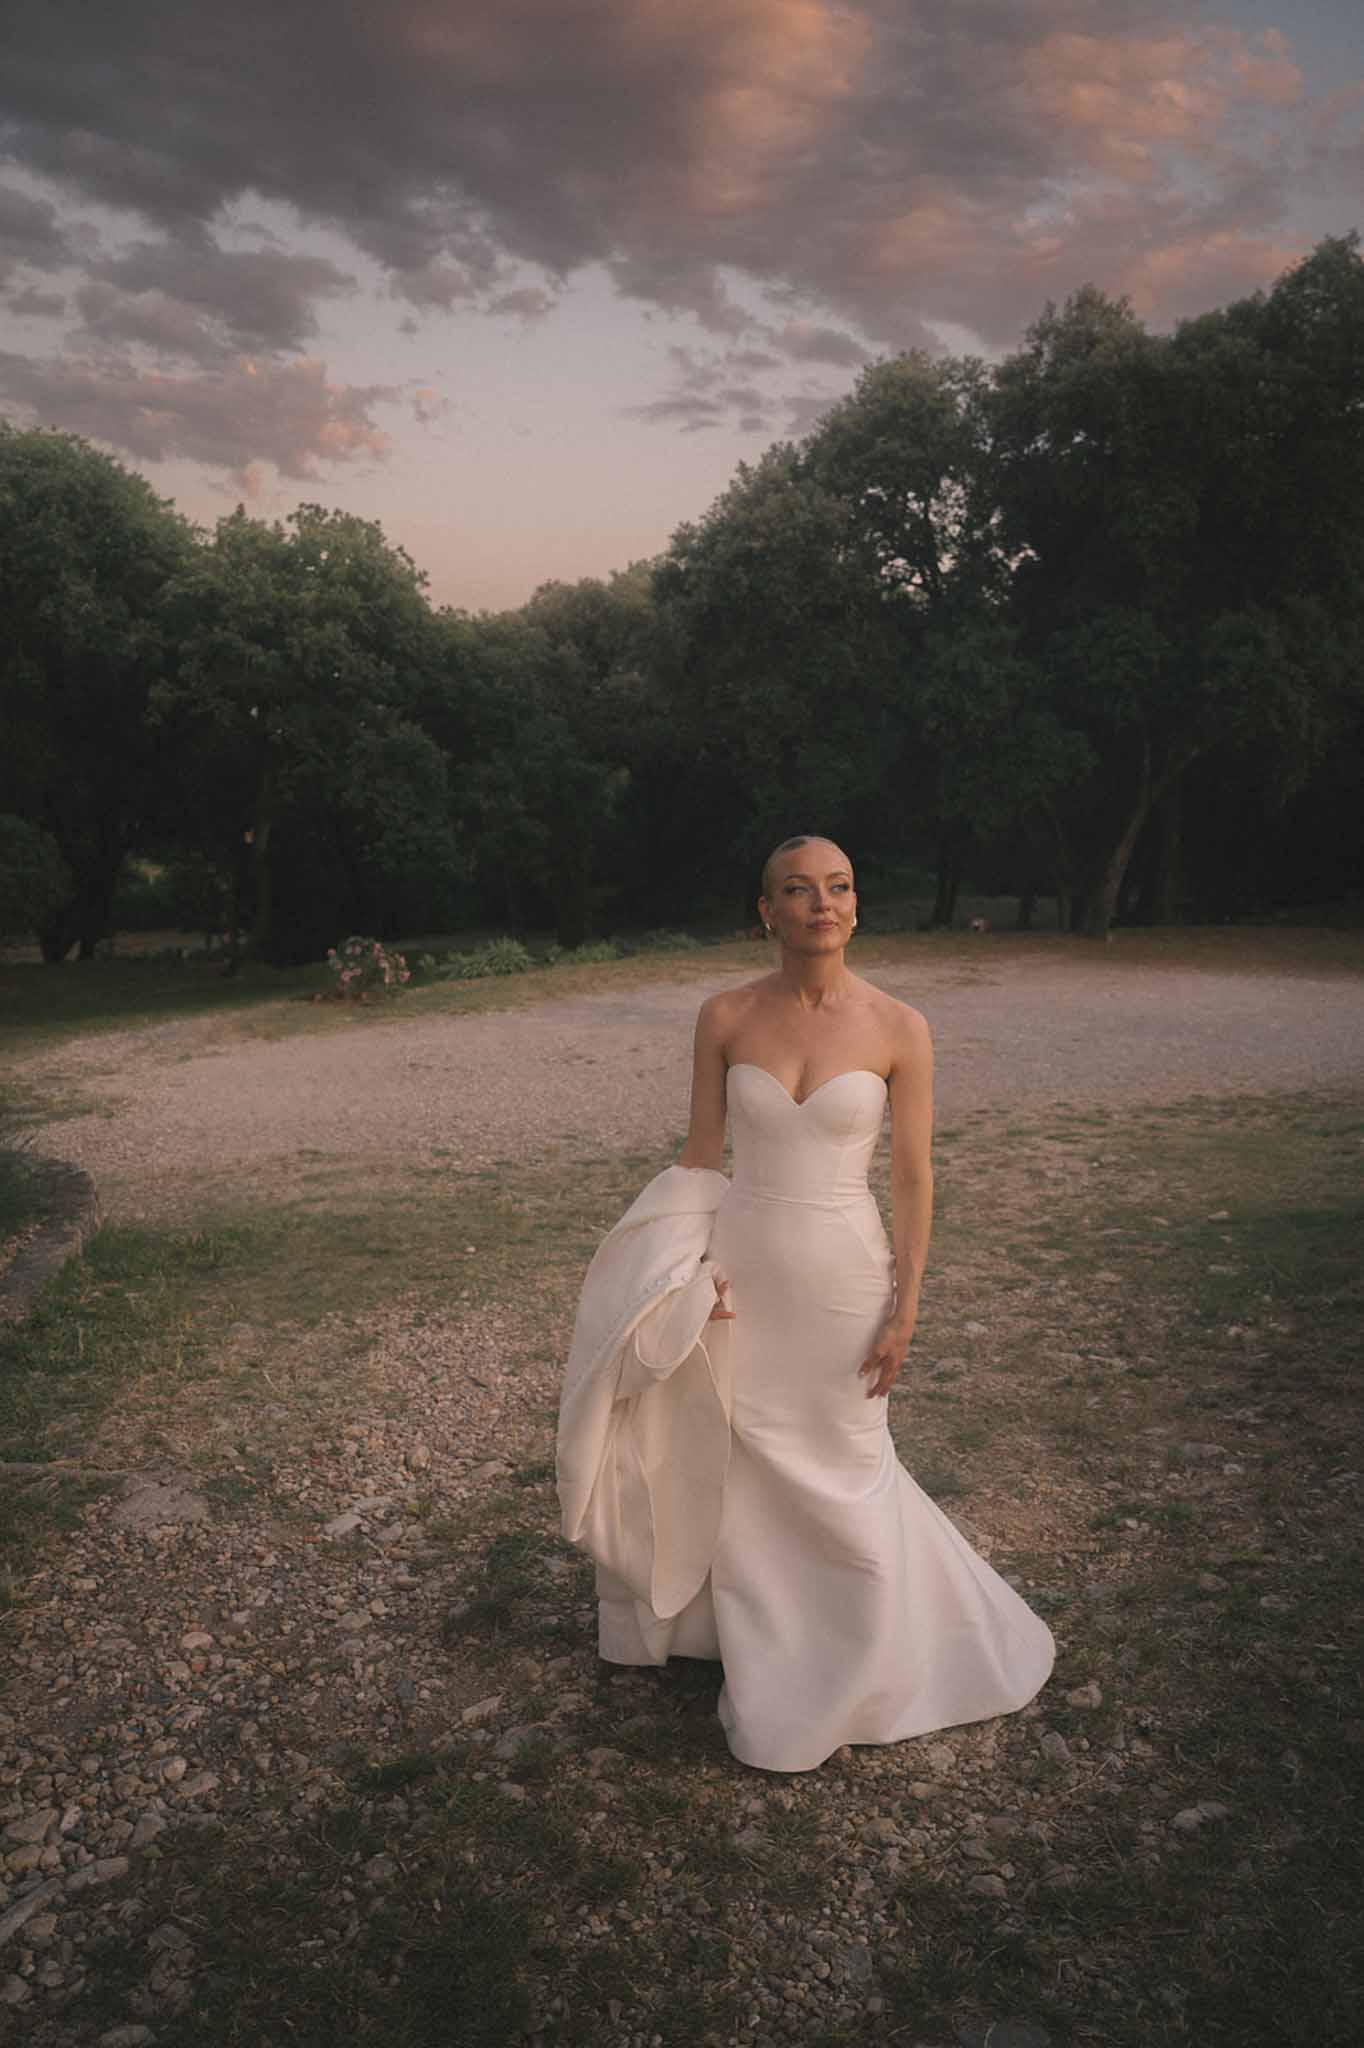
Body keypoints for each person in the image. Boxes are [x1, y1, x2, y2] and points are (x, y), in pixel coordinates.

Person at [557, 834, 1054, 1772]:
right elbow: (702, 1156)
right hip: (743, 1271)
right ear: (768, 912)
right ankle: (759, 1646)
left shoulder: (901, 1026)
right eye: (799, 889)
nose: (822, 903)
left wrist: (906, 1307)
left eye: (839, 886)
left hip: (845, 1277)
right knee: (743, 1456)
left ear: (856, 907)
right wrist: (682, 1276)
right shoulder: (725, 1016)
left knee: (846, 1459)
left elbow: (912, 1178)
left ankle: (867, 1657)